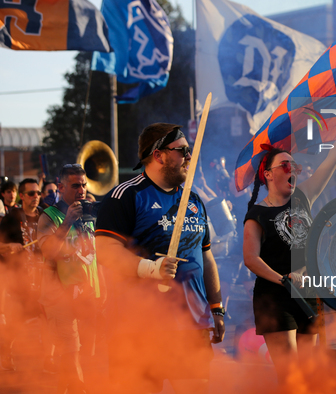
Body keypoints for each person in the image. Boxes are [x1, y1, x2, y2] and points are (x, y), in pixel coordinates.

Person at [242, 98, 336, 385]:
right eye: (285, 164)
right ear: (268, 174)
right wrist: (284, 280)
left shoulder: (304, 196)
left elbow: (334, 157)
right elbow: (250, 258)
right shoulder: (258, 213)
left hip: (308, 293)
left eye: (294, 165)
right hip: (275, 298)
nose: (293, 169)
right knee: (291, 377)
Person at [95, 123, 224, 394]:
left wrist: (216, 307)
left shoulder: (195, 201)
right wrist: (150, 268)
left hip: (192, 326)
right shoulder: (126, 196)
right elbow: (106, 251)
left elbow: (206, 256)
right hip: (139, 329)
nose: (189, 156)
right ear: (158, 155)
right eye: (182, 150)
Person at [37, 165, 105, 394]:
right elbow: (48, 251)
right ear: (62, 187)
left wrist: (101, 290)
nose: (82, 190)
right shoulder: (49, 216)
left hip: (88, 295)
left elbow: (97, 256)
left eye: (84, 185)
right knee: (71, 351)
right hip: (60, 298)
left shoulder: (89, 215)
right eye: (76, 185)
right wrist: (66, 222)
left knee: (84, 355)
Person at [0, 179, 51, 371]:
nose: (36, 197)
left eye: (38, 193)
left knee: (48, 320)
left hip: (44, 278)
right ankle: (5, 352)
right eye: (31, 193)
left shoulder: (45, 215)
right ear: (21, 196)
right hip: (20, 279)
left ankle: (48, 359)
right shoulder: (12, 217)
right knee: (17, 323)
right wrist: (9, 246)